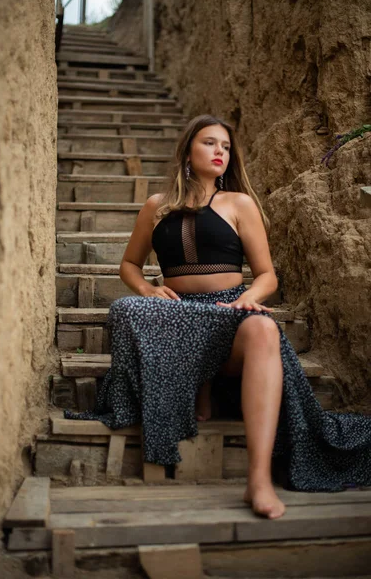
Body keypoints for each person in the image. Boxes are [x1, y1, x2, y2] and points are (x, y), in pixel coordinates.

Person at [64, 114, 371, 521]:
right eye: (210, 143)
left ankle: (258, 479)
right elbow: (129, 265)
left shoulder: (239, 204)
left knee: (263, 327)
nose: (219, 152)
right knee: (125, 307)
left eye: (225, 147)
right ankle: (196, 384)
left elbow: (267, 276)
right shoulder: (155, 207)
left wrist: (246, 299)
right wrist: (148, 289)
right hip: (174, 314)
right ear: (188, 151)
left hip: (229, 310)